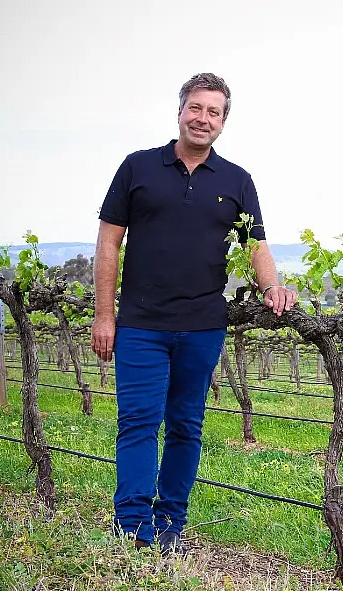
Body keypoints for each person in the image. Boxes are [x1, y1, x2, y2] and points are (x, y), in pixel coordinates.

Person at [91, 73, 297, 555]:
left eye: (214, 112)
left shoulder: (237, 180)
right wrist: (105, 315)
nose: (203, 119)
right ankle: (133, 527)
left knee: (186, 426)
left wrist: (272, 286)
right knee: (138, 422)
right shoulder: (137, 167)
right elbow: (107, 242)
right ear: (179, 110)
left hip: (204, 324)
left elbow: (257, 243)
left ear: (224, 122)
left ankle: (170, 526)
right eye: (196, 108)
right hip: (140, 323)